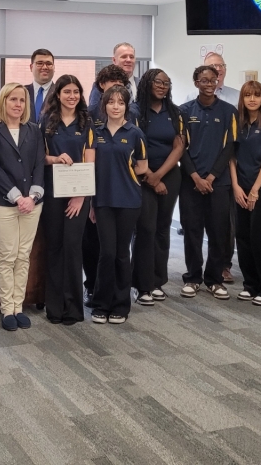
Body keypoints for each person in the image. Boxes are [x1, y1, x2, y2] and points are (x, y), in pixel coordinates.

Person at [0, 83, 46, 331]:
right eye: (13, 100)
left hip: (33, 203)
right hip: (2, 203)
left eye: (22, 100)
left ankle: (19, 307)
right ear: (3, 102)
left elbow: (39, 164)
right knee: (7, 256)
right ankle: (7, 309)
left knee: (23, 256)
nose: (18, 104)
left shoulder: (34, 130)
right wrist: (17, 197)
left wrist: (32, 196)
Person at [90, 85, 148, 325]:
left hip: (128, 201)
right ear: (104, 105)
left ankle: (121, 305)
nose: (116, 106)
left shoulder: (135, 134)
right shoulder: (96, 132)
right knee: (107, 253)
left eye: (120, 102)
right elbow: (89, 166)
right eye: (111, 102)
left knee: (122, 254)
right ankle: (101, 304)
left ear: (126, 106)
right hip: (102, 201)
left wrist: (125, 176)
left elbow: (143, 167)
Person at [40, 74, 94, 325]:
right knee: (54, 248)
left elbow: (91, 159)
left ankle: (72, 308)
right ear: (57, 95)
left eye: (76, 92)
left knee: (72, 248)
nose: (72, 96)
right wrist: (55, 158)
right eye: (67, 92)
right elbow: (39, 157)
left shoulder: (87, 122)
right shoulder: (45, 122)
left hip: (78, 195)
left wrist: (81, 196)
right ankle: (54, 307)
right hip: (52, 193)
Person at [179, 65, 237, 301]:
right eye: (204, 80)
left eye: (213, 80)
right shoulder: (183, 111)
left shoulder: (229, 111)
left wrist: (212, 176)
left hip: (218, 183)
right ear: (196, 83)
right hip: (190, 183)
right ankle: (193, 278)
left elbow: (230, 147)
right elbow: (180, 147)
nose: (209, 84)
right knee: (192, 231)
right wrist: (195, 176)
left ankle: (214, 279)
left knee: (218, 233)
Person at [130, 68, 184, 306]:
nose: (163, 86)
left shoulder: (174, 112)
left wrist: (160, 176)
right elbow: (130, 146)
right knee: (145, 229)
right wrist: (150, 177)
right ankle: (141, 285)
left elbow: (179, 146)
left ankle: (157, 281)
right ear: (147, 83)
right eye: (158, 82)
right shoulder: (134, 111)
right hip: (141, 176)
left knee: (163, 229)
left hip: (169, 175)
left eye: (167, 82)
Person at [228, 80, 261, 306]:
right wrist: (237, 187)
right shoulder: (237, 123)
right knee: (243, 238)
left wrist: (254, 191)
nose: (252, 99)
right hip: (241, 188)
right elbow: (231, 157)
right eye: (248, 95)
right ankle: (250, 285)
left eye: (257, 95)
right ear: (242, 99)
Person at [83, 63, 131, 306]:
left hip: (124, 193)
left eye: (121, 89)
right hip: (97, 193)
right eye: (112, 87)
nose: (116, 98)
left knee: (119, 250)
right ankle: (93, 287)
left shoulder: (132, 119)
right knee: (96, 246)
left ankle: (118, 295)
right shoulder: (90, 114)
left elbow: (138, 161)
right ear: (102, 86)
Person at [26, 49, 55, 124]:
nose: (45, 67)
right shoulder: (22, 92)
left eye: (49, 64)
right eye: (40, 63)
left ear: (54, 67)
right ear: (31, 67)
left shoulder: (60, 93)